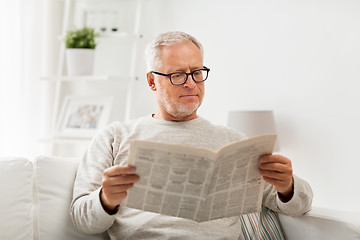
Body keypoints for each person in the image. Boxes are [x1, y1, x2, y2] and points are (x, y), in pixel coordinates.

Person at [70, 31, 313, 239]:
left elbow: (301, 205)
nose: (191, 83)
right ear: (152, 81)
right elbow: (82, 219)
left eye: (197, 72)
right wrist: (106, 198)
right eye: (177, 75)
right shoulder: (115, 137)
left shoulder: (234, 142)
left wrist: (287, 186)